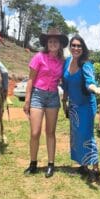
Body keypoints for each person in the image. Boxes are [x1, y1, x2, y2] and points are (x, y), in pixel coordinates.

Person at [23, 28, 67, 177]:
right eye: (50, 41)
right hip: (38, 95)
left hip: (53, 96)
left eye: (56, 41)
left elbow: (66, 79)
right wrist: (27, 100)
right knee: (35, 132)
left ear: (60, 44)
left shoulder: (62, 61)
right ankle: (33, 163)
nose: (53, 43)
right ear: (47, 43)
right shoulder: (39, 57)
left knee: (50, 132)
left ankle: (50, 164)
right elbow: (31, 79)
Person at [62, 35, 100, 180]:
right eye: (73, 45)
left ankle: (96, 168)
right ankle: (84, 165)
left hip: (86, 105)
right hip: (74, 105)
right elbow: (65, 84)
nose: (76, 48)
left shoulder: (86, 64)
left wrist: (95, 89)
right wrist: (64, 102)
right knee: (77, 136)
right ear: (70, 47)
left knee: (87, 136)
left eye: (79, 46)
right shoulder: (67, 62)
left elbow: (89, 82)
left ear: (83, 48)